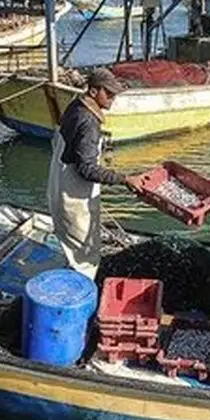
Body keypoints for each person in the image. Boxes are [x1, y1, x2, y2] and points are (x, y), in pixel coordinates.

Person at [47, 67, 142, 280]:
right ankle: (83, 291)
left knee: (70, 242)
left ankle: (73, 275)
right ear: (93, 91)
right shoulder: (89, 122)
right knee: (85, 256)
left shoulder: (75, 105)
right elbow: (86, 169)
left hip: (58, 183)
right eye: (108, 93)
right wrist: (125, 179)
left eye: (114, 94)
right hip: (74, 196)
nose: (113, 98)